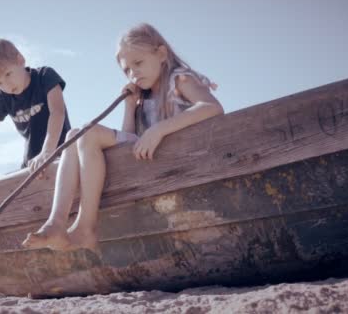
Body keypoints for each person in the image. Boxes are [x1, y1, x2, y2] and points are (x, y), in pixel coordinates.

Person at [22, 23, 224, 253]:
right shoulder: (142, 97)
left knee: (87, 132)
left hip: (179, 158)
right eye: (127, 70)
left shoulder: (179, 80)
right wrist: (130, 107)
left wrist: (159, 130)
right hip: (147, 160)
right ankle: (57, 222)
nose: (133, 73)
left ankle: (85, 228)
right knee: (74, 135)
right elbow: (130, 138)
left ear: (161, 54)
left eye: (138, 63)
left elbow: (212, 107)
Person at [0, 38, 71, 196]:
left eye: (8, 74)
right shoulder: (3, 97)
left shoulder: (45, 76)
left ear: (20, 60)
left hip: (62, 154)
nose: (6, 85)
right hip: (31, 165)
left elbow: (57, 112)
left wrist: (47, 152)